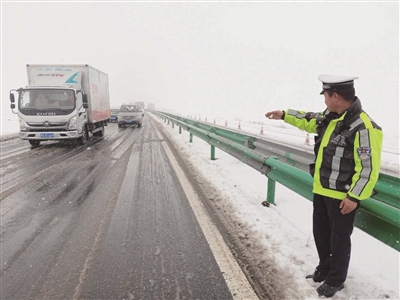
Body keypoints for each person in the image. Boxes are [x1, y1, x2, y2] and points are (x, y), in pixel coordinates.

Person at [265, 75, 383, 298]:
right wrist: (284, 115)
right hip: (321, 190)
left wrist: (354, 197)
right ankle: (324, 269)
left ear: (335, 96)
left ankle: (336, 280)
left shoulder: (364, 127)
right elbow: (308, 118)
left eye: (326, 96)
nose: (325, 102)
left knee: (339, 239)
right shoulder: (330, 118)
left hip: (342, 196)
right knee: (321, 234)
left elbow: (368, 168)